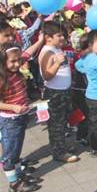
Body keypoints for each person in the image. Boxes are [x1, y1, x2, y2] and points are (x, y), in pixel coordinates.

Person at [0, 43, 42, 192]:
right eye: (12, 61)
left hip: (21, 117)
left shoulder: (16, 68)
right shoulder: (2, 78)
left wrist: (41, 39)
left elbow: (27, 53)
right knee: (10, 155)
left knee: (16, 151)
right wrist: (13, 107)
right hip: (10, 120)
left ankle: (19, 175)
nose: (17, 63)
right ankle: (14, 184)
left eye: (18, 60)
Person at [38, 21, 80, 163]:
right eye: (59, 35)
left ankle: (62, 147)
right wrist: (56, 63)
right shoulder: (47, 52)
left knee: (62, 123)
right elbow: (46, 75)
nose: (62, 38)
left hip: (63, 92)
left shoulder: (56, 49)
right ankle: (59, 152)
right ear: (48, 37)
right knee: (56, 124)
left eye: (63, 35)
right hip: (55, 94)